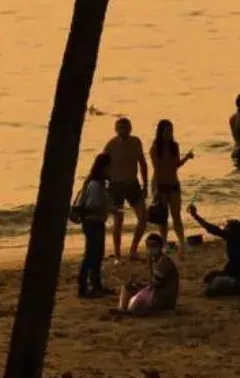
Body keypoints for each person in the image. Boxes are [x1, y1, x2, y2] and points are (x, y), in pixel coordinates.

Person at [188, 203, 240, 297]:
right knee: (211, 276)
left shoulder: (234, 239)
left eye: (226, 227)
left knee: (211, 290)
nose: (224, 228)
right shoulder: (239, 242)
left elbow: (212, 229)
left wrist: (196, 216)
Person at [102, 117, 151, 259]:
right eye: (119, 128)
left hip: (132, 184)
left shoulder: (136, 142)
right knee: (119, 220)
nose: (122, 131)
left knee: (143, 217)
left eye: (125, 127)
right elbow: (101, 165)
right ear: (116, 130)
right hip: (116, 185)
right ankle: (117, 253)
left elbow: (143, 164)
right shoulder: (111, 144)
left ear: (130, 128)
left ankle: (133, 250)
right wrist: (104, 186)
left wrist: (146, 185)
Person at [148, 119, 194, 256]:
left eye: (170, 130)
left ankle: (181, 242)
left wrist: (186, 158)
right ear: (160, 132)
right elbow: (156, 169)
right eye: (166, 130)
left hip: (174, 183)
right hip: (160, 184)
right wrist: (156, 189)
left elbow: (176, 165)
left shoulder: (174, 146)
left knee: (176, 215)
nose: (169, 133)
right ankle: (164, 243)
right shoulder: (156, 147)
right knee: (163, 217)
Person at [73, 152, 113, 298]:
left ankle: (95, 285)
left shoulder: (96, 183)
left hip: (94, 221)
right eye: (109, 167)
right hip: (93, 222)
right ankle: (84, 286)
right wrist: (110, 209)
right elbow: (93, 205)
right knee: (92, 254)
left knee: (96, 254)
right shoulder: (96, 184)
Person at [114, 233, 180, 317]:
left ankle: (124, 309)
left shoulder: (163, 262)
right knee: (130, 287)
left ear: (160, 246)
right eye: (148, 246)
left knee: (130, 289)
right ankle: (123, 309)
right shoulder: (159, 260)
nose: (150, 249)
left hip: (162, 298)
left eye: (153, 246)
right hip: (161, 295)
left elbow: (155, 284)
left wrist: (140, 284)